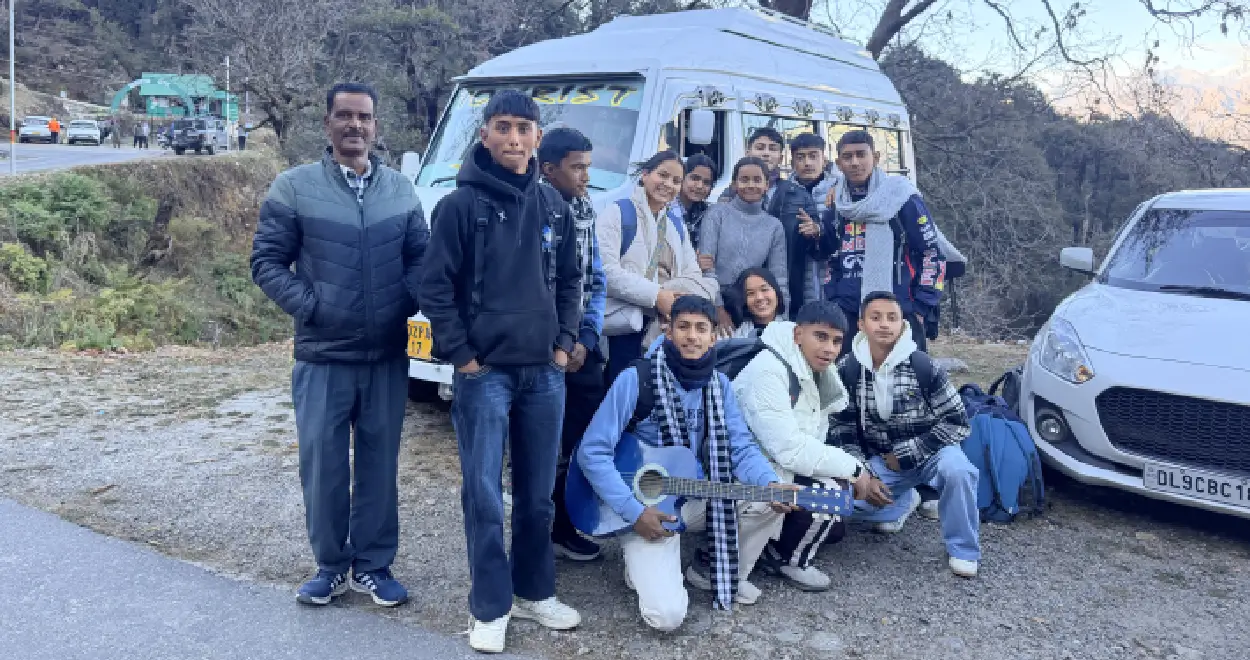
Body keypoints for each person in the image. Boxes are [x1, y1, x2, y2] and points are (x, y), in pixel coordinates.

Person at [250, 82, 428, 608]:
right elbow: (266, 263)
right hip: (323, 357)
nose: (356, 126)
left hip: (386, 357)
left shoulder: (401, 190)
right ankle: (329, 566)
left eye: (365, 117)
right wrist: (315, 307)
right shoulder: (294, 187)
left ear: (376, 126)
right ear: (327, 123)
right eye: (345, 116)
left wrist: (407, 301)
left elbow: (421, 256)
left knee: (378, 465)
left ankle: (374, 566)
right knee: (325, 467)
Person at [419, 89, 583, 654]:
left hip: (544, 372)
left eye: (524, 128)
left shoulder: (555, 206)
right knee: (484, 494)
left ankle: (534, 590)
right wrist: (461, 354)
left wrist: (563, 345)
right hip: (483, 373)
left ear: (539, 136)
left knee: (537, 495)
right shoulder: (458, 207)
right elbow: (433, 287)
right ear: (484, 134)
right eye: (503, 127)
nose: (514, 138)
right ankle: (489, 605)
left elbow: (571, 280)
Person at [576, 295, 798, 631]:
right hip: (635, 503)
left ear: (714, 337)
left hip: (686, 494)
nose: (691, 336)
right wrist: (634, 512)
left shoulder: (719, 385)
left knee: (767, 499)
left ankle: (710, 570)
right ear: (668, 331)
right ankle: (636, 548)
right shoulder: (637, 378)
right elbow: (592, 451)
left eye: (700, 328)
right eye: (683, 327)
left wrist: (770, 483)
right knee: (667, 618)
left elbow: (740, 446)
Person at [829, 291, 980, 578]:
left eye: (892, 318)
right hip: (883, 462)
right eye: (875, 318)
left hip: (933, 452)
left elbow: (957, 422)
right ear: (861, 324)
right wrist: (863, 474)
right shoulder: (848, 369)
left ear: (902, 324)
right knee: (846, 503)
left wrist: (907, 453)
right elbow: (843, 428)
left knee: (959, 472)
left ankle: (963, 550)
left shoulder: (924, 366)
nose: (884, 325)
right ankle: (902, 502)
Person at [733, 301, 873, 591]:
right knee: (831, 494)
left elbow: (811, 437)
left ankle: (772, 545)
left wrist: (848, 469)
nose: (830, 349)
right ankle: (786, 558)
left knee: (836, 521)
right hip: (748, 469)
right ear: (798, 335)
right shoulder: (770, 370)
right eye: (820, 337)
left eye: (836, 341)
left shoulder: (813, 368)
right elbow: (789, 449)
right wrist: (855, 470)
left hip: (774, 461)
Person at [537, 126, 608, 563]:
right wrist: (560, 341)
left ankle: (566, 525)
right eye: (576, 167)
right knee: (543, 444)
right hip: (544, 349)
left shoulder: (584, 208)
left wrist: (585, 336)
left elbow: (593, 280)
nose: (585, 175)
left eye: (587, 165)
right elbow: (539, 287)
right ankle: (536, 530)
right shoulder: (535, 209)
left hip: (582, 349)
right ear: (549, 169)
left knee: (581, 442)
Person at [598, 150, 719, 385]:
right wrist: (656, 296)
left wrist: (673, 300)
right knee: (621, 389)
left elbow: (692, 272)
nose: (668, 184)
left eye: (675, 181)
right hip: (623, 324)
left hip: (663, 324)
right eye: (662, 175)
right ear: (645, 175)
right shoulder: (618, 212)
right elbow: (605, 271)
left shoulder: (674, 222)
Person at [824, 130, 946, 355]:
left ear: (876, 157)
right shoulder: (837, 205)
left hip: (899, 312)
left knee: (905, 386)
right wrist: (835, 299)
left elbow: (933, 254)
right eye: (847, 157)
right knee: (851, 385)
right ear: (838, 163)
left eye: (862, 155)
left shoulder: (902, 198)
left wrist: (920, 308)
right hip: (850, 314)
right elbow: (831, 258)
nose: (855, 162)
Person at [723, 128, 828, 313]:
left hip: (784, 286)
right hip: (738, 289)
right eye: (760, 147)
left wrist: (817, 233)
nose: (766, 152)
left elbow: (818, 251)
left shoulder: (799, 195)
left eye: (772, 148)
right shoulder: (729, 196)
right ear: (748, 152)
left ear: (780, 157)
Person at [698, 156, 790, 320]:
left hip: (753, 307)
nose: (751, 185)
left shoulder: (773, 226)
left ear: (766, 185)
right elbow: (707, 269)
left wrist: (781, 319)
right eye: (744, 179)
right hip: (713, 303)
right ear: (734, 184)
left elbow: (779, 278)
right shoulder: (716, 214)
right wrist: (718, 309)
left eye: (757, 180)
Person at [667, 154, 717, 250]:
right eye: (694, 178)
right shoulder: (664, 208)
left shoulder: (707, 213)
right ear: (682, 177)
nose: (699, 186)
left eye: (706, 182)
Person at [727, 267, 785, 339]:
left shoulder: (793, 333)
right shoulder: (730, 335)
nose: (759, 297)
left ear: (777, 293)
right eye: (751, 293)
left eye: (764, 289)